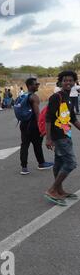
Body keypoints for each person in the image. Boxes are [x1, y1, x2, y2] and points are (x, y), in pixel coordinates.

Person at [45, 71, 80, 206]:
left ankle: (59, 190)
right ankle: (52, 190)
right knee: (71, 163)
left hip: (66, 134)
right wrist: (48, 138)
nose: (68, 83)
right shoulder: (56, 97)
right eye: (65, 80)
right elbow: (48, 118)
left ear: (74, 82)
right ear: (60, 82)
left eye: (70, 80)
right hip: (58, 136)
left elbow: (73, 119)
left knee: (59, 163)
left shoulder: (68, 98)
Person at [19, 78, 53, 175]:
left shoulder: (22, 95)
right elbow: (38, 115)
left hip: (24, 123)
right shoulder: (34, 97)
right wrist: (42, 128)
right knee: (37, 144)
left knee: (24, 145)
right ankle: (41, 163)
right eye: (36, 84)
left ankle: (24, 168)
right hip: (33, 124)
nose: (38, 85)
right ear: (30, 86)